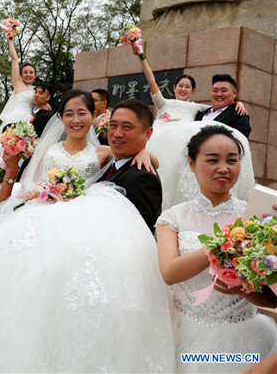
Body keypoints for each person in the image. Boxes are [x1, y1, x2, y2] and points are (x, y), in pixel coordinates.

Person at [0, 90, 174, 372]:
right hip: (41, 219)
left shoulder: (104, 154)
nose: (76, 119)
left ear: (94, 117)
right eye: (69, 113)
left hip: (81, 234)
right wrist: (22, 179)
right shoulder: (45, 151)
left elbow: (141, 166)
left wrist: (146, 150)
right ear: (60, 118)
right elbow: (8, 191)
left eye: (82, 113)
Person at [156, 125, 276, 373]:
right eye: (212, 160)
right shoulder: (173, 217)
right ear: (191, 163)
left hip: (245, 336)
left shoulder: (256, 215)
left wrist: (243, 292)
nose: (224, 168)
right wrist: (223, 243)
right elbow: (169, 272)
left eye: (232, 160)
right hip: (188, 335)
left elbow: (271, 296)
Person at [131, 46, 254, 211]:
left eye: (187, 87)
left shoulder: (204, 110)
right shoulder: (195, 111)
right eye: (180, 86)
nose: (183, 89)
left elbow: (239, 137)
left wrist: (237, 103)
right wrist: (141, 54)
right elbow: (151, 81)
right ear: (174, 87)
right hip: (170, 155)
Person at [97, 100, 162, 233]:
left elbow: (140, 235)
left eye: (127, 127)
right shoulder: (108, 164)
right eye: (113, 125)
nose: (117, 133)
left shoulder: (143, 178)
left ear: (147, 134)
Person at [0, 37, 38, 154]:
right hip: (14, 119)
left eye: (31, 72)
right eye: (25, 72)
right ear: (21, 75)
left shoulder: (37, 91)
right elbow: (14, 59)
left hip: (28, 121)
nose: (28, 74)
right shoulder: (18, 85)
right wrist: (10, 39)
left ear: (35, 76)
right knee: (6, 148)